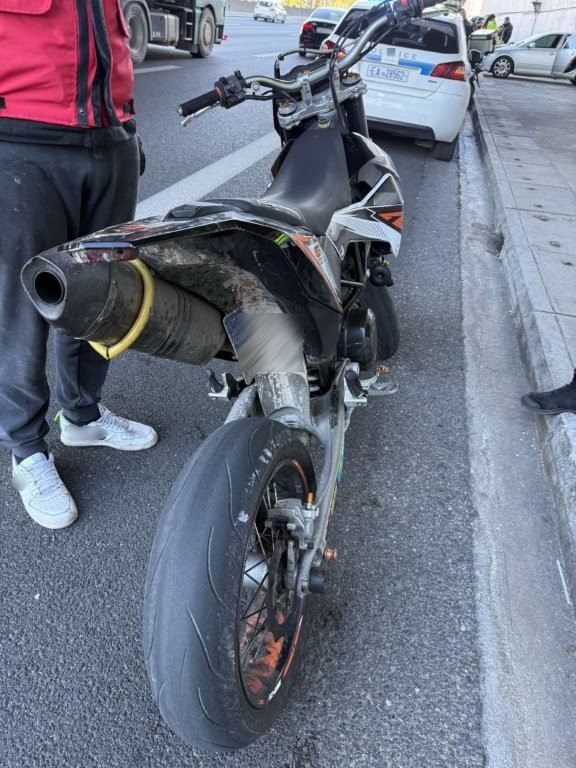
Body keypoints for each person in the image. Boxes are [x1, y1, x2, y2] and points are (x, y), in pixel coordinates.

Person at [0, 1, 158, 530]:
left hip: (111, 133)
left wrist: (126, 125)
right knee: (21, 308)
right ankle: (27, 450)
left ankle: (83, 415)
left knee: (102, 296)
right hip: (20, 135)